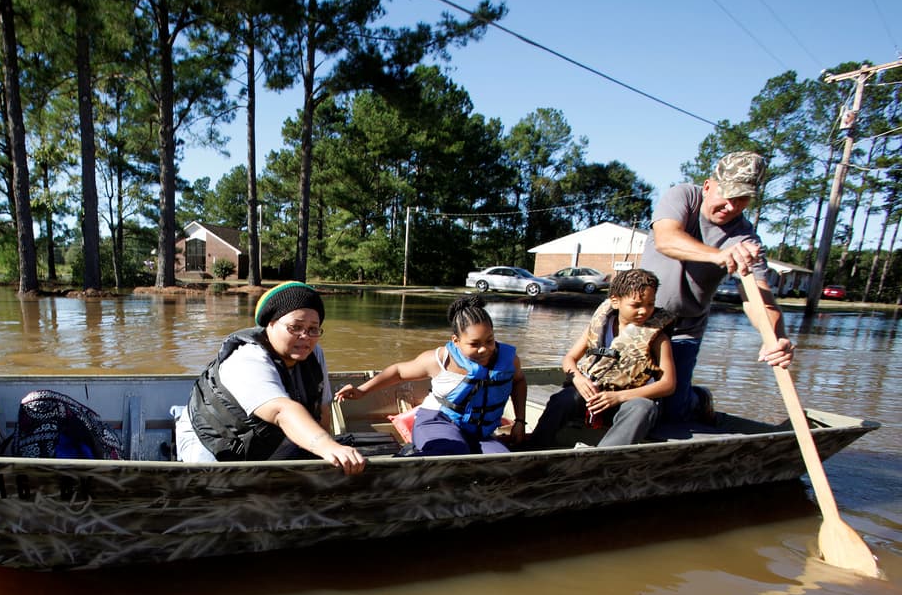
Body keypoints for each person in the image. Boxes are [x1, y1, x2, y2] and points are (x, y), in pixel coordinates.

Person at [641, 150, 795, 423]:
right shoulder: (684, 196)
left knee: (671, 413)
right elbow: (666, 239)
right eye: (728, 195)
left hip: (684, 329)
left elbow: (759, 299)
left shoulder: (745, 240)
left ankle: (696, 398)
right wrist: (719, 255)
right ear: (709, 186)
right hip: (639, 322)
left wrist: (776, 337)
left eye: (742, 200)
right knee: (623, 392)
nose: (732, 207)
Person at [174, 281, 366, 474]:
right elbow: (282, 411)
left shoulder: (314, 354)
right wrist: (326, 446)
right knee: (213, 490)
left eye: (313, 329)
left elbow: (322, 408)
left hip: (264, 436)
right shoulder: (247, 358)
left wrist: (327, 454)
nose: (305, 336)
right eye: (295, 327)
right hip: (211, 436)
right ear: (271, 325)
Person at [334, 295, 527, 455]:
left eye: (490, 340)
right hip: (437, 420)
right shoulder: (441, 359)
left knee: (501, 461)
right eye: (474, 344)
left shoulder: (508, 360)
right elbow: (399, 372)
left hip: (479, 432)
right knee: (451, 454)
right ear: (456, 341)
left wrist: (519, 421)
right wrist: (362, 390)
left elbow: (518, 382)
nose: (484, 349)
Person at [528, 268, 676, 449]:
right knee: (563, 399)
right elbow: (570, 359)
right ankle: (533, 450)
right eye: (636, 305)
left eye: (650, 304)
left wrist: (618, 397)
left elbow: (668, 384)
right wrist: (579, 379)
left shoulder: (658, 338)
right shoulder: (601, 325)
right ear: (615, 301)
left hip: (629, 401)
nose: (644, 311)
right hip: (596, 397)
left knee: (642, 408)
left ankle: (601, 461)